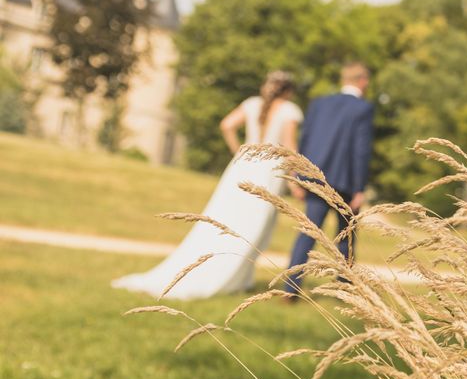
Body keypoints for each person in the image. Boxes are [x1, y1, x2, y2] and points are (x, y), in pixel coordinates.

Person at [112, 71, 303, 299]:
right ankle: (235, 277)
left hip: (243, 166)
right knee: (252, 226)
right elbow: (290, 148)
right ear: (289, 91)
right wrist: (295, 181)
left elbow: (227, 125)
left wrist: (239, 152)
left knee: (226, 219)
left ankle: (239, 278)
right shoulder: (290, 111)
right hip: (268, 172)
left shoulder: (252, 104)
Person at [284, 62, 375, 297]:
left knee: (308, 232)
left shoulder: (319, 103)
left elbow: (305, 140)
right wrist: (359, 188)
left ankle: (290, 289)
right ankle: (344, 287)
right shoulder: (362, 109)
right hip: (344, 181)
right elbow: (360, 150)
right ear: (363, 81)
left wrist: (297, 174)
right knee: (346, 237)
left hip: (314, 177)